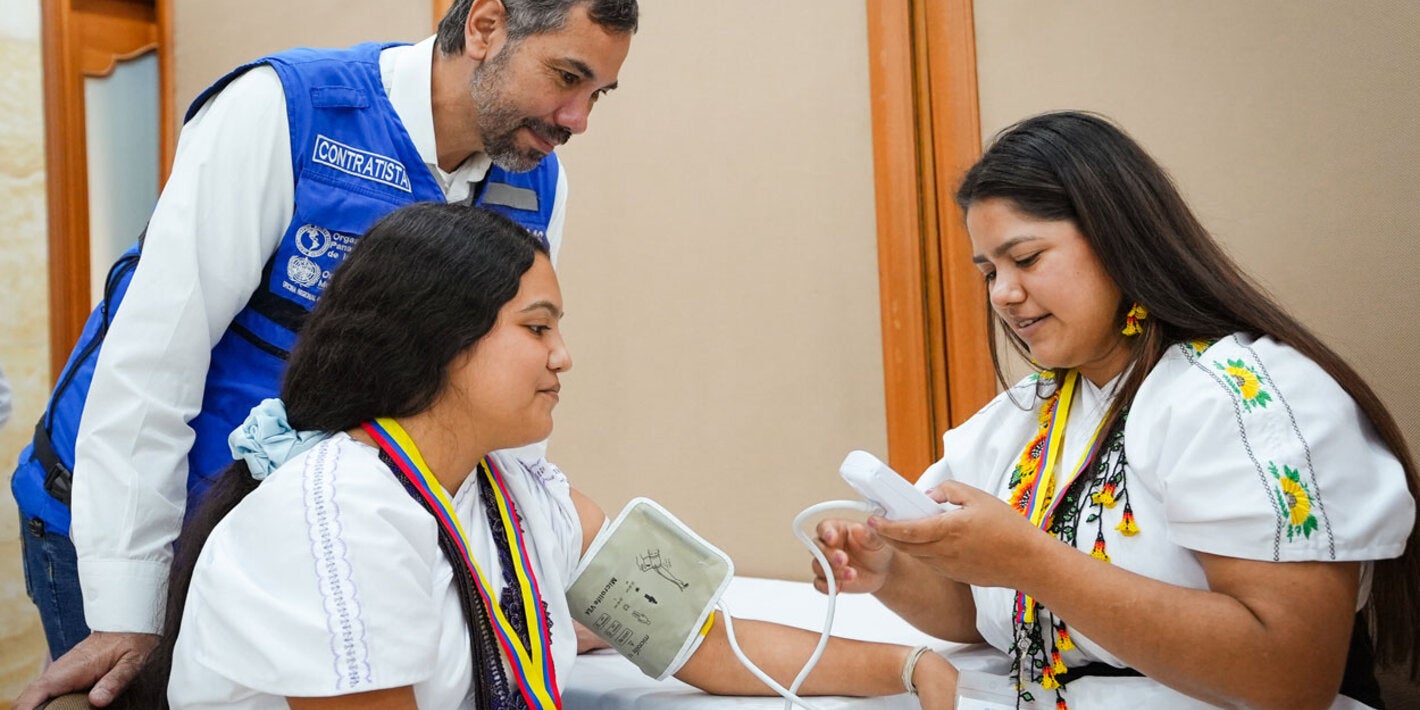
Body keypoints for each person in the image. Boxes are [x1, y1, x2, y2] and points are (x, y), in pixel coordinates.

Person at [13, 1, 637, 707]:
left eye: (598, 95)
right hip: (131, 512)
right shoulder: (287, 112)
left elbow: (497, 398)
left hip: (326, 542)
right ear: (485, 27)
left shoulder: (536, 181)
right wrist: (128, 605)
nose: (576, 118)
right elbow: (154, 357)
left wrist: (528, 581)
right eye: (566, 76)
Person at [104, 202, 957, 709]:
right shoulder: (336, 513)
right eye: (537, 328)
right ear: (440, 337)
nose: (563, 356)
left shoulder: (518, 486)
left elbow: (699, 637)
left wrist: (909, 667)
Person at [814, 111, 1419, 709]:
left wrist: (1030, 559)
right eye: (989, 272)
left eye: (1025, 259)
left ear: (1118, 239)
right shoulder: (1026, 414)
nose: (1002, 293)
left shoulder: (1247, 399)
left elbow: (1290, 678)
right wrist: (891, 572)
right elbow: (990, 614)